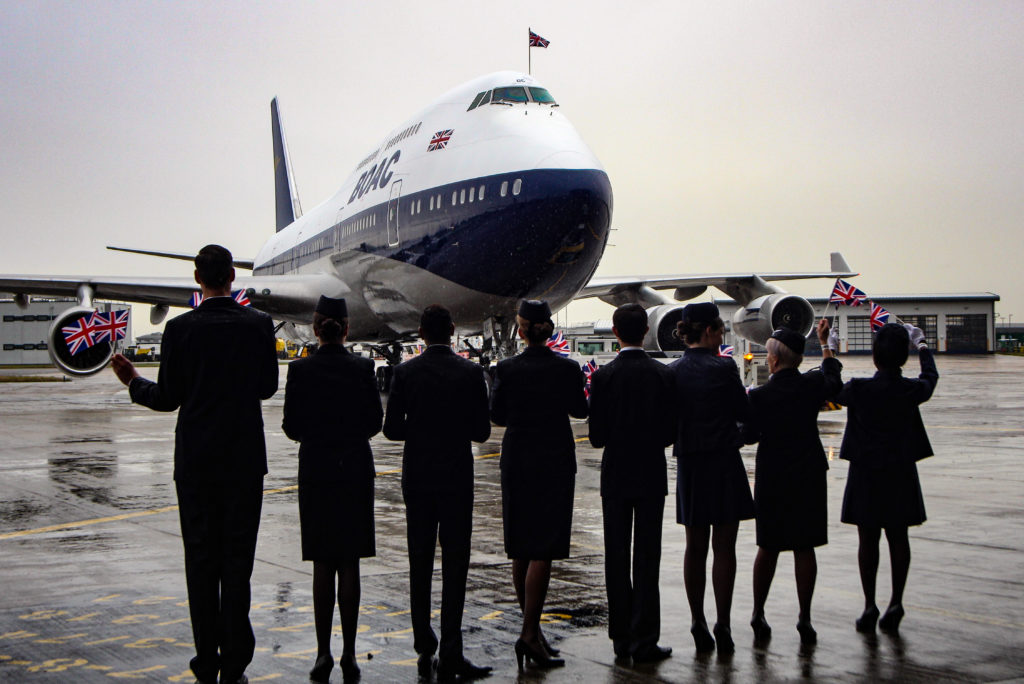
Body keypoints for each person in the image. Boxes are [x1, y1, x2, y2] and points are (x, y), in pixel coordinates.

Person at [111, 244, 278, 684]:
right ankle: (236, 665)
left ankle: (207, 662)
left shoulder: (180, 329)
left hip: (197, 464)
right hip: (244, 463)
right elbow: (266, 387)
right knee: (238, 565)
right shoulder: (259, 325)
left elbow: (167, 399)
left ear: (197, 279)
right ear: (232, 277)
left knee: (201, 564)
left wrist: (133, 383)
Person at [382, 305, 493, 681]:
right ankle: (451, 649)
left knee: (420, 560)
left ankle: (422, 641)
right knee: (456, 565)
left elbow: (392, 430)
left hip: (419, 476)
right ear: (453, 330)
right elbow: (481, 432)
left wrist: (422, 430)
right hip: (456, 477)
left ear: (420, 333)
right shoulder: (470, 372)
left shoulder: (406, 372)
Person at [282, 296, 382, 682]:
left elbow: (292, 428)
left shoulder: (300, 371)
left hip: (317, 470)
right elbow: (375, 422)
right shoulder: (362, 368)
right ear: (346, 329)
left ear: (315, 326)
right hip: (355, 470)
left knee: (322, 563)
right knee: (350, 563)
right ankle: (350, 655)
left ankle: (322, 653)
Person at [490, 299, 589, 671]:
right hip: (553, 459)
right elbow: (580, 411)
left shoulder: (507, 369)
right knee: (543, 549)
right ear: (549, 330)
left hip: (517, 459)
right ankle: (530, 633)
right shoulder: (565, 369)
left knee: (520, 546)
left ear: (521, 330)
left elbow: (496, 415)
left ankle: (530, 628)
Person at [741, 321, 842, 645]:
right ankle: (805, 617)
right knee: (805, 546)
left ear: (772, 360)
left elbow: (749, 435)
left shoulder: (760, 395)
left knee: (767, 547)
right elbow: (833, 381)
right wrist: (825, 345)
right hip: (808, 472)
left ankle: (758, 612)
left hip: (773, 475)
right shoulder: (812, 384)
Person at [588, 304, 677, 662]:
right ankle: (645, 637)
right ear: (646, 332)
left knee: (616, 556)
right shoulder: (662, 375)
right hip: (651, 472)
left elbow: (595, 437)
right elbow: (670, 433)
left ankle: (620, 636)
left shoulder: (604, 377)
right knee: (647, 557)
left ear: (615, 332)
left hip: (616, 473)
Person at [838, 322, 938, 634]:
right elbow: (930, 379)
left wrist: (828, 347)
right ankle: (896, 600)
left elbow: (830, 389)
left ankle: (869, 604)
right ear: (902, 357)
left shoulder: (858, 389)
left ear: (875, 356)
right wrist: (922, 346)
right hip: (900, 471)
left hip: (866, 473)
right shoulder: (909, 391)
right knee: (898, 538)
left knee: (867, 541)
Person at [670, 302, 754, 654]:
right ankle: (722, 621)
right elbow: (745, 413)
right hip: (723, 460)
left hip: (691, 462)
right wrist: (741, 434)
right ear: (708, 332)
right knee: (725, 548)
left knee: (695, 547)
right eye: (720, 329)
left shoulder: (673, 371)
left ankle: (697, 620)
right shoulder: (724, 368)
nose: (722, 335)